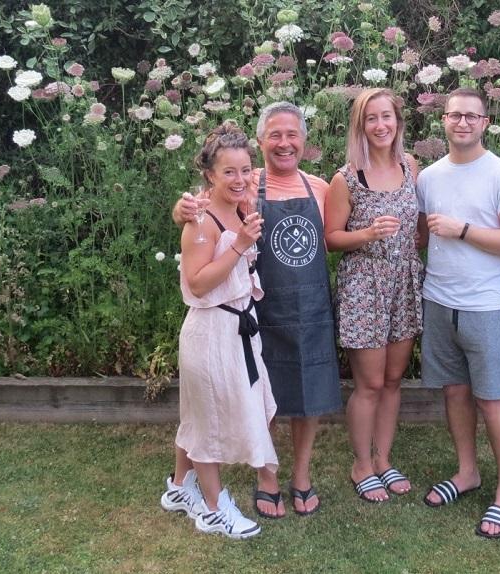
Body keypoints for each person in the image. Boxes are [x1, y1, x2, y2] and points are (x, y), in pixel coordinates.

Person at [173, 102, 342, 519]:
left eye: (293, 135)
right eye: (275, 135)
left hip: (308, 309)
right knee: (258, 400)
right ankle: (267, 479)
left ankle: (300, 476)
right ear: (260, 142)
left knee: (309, 396)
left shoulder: (320, 188)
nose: (284, 144)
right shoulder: (244, 182)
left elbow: (336, 237)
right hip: (255, 312)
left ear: (304, 140)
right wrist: (182, 211)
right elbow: (200, 214)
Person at [416, 88, 500, 539]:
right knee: (455, 393)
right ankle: (467, 472)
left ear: (485, 123)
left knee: (492, 400)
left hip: (485, 305)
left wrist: (462, 229)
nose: (462, 123)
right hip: (439, 299)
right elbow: (421, 235)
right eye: (455, 115)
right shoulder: (428, 177)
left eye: (471, 116)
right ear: (443, 121)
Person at [161, 121, 277, 540]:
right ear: (209, 174)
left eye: (246, 169)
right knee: (207, 422)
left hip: (240, 328)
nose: (241, 178)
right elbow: (197, 282)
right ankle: (213, 509)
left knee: (198, 414)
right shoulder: (201, 218)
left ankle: (178, 488)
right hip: (212, 331)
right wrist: (241, 245)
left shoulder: (242, 205)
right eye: (229, 171)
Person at [325, 88, 422, 503]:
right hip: (364, 286)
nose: (380, 125)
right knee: (369, 383)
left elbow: (419, 229)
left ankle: (384, 458)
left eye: (387, 117)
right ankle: (361, 464)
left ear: (398, 122)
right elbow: (330, 238)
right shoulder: (345, 178)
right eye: (371, 118)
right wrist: (367, 234)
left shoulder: (411, 166)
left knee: (394, 380)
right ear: (360, 126)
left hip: (403, 283)